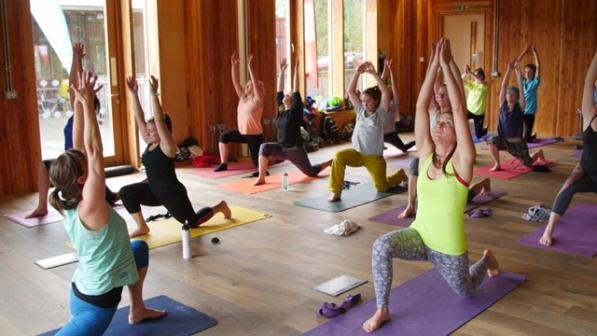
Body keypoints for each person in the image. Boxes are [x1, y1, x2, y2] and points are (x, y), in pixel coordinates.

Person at [363, 39, 500, 333]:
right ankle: (383, 309)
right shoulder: (425, 155)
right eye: (439, 122)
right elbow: (420, 106)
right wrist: (434, 65)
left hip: (449, 250)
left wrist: (449, 69)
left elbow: (461, 110)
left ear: (458, 136)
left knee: (467, 291)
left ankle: (486, 259)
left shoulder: (463, 163)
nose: (440, 124)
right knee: (381, 246)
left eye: (446, 124)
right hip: (419, 237)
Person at [49, 70, 166, 336]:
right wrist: (90, 106)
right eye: (85, 164)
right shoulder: (91, 205)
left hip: (82, 288)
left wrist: (81, 104)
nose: (86, 158)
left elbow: (80, 146)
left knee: (138, 249)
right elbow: (94, 151)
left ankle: (137, 309)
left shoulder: (68, 195)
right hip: (96, 306)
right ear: (82, 179)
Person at [121, 76, 231, 238]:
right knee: (126, 192)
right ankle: (142, 227)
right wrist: (134, 94)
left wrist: (154, 93)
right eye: (148, 130)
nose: (149, 132)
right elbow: (139, 118)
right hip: (153, 190)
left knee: (191, 223)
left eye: (153, 130)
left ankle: (219, 207)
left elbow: (159, 119)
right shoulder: (150, 142)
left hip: (172, 194)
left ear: (163, 131)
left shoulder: (168, 146)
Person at [26, 43, 117, 219]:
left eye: (79, 98)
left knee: (111, 197)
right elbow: (74, 85)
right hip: (70, 163)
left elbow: (82, 148)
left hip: (78, 166)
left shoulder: (82, 118)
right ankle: (41, 206)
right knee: (43, 166)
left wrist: (84, 102)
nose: (75, 96)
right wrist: (76, 59)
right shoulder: (75, 115)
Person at [540, 46, 597, 246]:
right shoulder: (591, 115)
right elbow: (589, 82)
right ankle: (549, 229)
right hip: (586, 171)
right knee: (565, 190)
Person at [328, 61, 408, 202]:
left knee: (382, 187)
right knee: (338, 157)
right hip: (357, 154)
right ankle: (336, 192)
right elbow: (350, 91)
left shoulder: (381, 114)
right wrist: (357, 73)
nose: (364, 104)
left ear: (376, 101)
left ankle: (400, 175)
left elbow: (385, 92)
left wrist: (373, 73)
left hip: (374, 159)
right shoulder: (360, 111)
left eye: (368, 101)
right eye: (363, 101)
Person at [253, 58, 332, 185]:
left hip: (295, 151)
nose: (285, 96)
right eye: (285, 95)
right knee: (264, 147)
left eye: (288, 95)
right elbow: (279, 91)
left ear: (293, 100)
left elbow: (296, 89)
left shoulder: (295, 112)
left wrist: (296, 70)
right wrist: (282, 70)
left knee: (311, 172)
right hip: (281, 149)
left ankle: (328, 163)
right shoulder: (281, 111)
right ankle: (261, 177)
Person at [486, 59, 547, 172]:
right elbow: (503, 87)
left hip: (517, 143)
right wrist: (509, 70)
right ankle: (497, 164)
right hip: (504, 141)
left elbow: (521, 89)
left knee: (528, 164)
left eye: (512, 94)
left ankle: (538, 154)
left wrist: (518, 73)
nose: (509, 96)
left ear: (517, 97)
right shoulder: (502, 106)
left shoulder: (520, 108)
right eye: (508, 94)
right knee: (491, 141)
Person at [214, 53, 265, 173]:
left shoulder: (258, 100)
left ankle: (270, 162)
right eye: (247, 85)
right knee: (224, 136)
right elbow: (236, 82)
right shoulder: (242, 98)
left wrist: (250, 69)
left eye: (251, 85)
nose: (248, 86)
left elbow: (256, 84)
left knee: (257, 164)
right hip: (242, 133)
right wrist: (233, 66)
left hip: (255, 136)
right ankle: (223, 163)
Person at [398, 156, 492, 219]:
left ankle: (485, 183)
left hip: (448, 182)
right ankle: (410, 206)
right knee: (415, 163)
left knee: (466, 197)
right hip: (432, 175)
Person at [380, 59, 415, 152]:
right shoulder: (380, 104)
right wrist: (385, 68)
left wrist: (391, 70)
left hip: (391, 134)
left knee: (404, 149)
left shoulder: (394, 104)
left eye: (389, 92)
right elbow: (381, 83)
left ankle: (416, 142)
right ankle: (380, 145)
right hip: (378, 134)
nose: (387, 93)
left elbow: (394, 86)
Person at [516, 44, 541, 142]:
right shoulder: (523, 82)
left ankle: (531, 136)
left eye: (529, 72)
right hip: (521, 111)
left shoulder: (535, 83)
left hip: (530, 113)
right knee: (518, 137)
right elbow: (516, 65)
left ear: (533, 73)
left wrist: (535, 53)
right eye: (525, 72)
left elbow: (539, 67)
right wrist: (524, 52)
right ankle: (529, 136)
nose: (526, 73)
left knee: (526, 140)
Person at [462, 65, 489, 139]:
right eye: (475, 75)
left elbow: (481, 82)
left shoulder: (484, 85)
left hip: (479, 113)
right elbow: (460, 80)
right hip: (469, 110)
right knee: (461, 119)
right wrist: (465, 73)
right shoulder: (472, 84)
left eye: (476, 75)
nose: (474, 77)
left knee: (478, 135)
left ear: (481, 76)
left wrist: (471, 73)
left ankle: (485, 130)